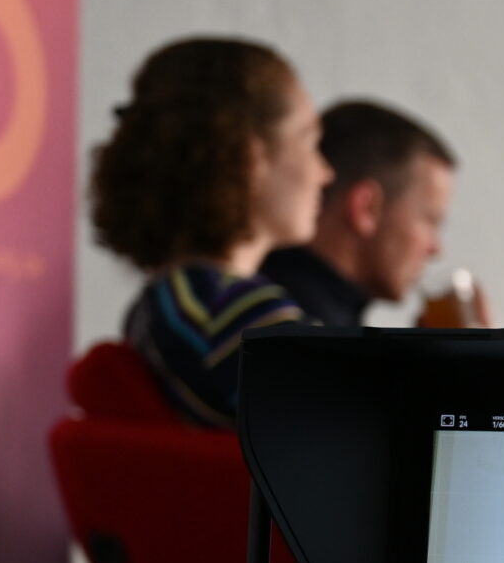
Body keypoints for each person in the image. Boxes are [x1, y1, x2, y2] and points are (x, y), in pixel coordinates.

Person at [88, 37, 334, 425]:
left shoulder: (167, 307)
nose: (325, 172)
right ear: (250, 158)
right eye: (311, 142)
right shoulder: (241, 321)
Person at [260, 98, 487, 328]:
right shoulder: (291, 330)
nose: (436, 249)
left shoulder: (280, 309)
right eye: (429, 221)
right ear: (367, 209)